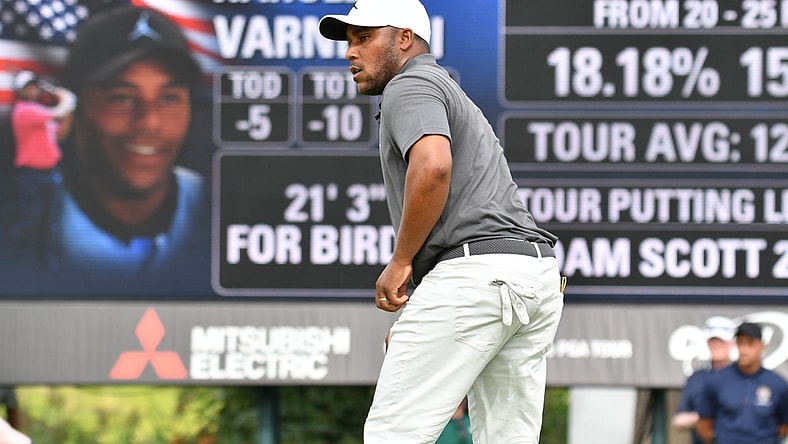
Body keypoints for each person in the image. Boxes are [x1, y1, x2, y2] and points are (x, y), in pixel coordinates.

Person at [319, 1, 565, 442]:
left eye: (364, 38)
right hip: (535, 275)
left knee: (393, 435)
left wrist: (401, 261)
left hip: (478, 275)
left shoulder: (409, 85)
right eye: (350, 41)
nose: (349, 52)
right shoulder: (445, 88)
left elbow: (433, 166)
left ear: (404, 39)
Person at [51, 4, 209, 292]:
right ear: (76, 107)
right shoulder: (28, 213)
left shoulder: (213, 204)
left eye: (169, 98)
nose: (149, 122)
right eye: (121, 98)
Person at [8, 70, 75, 270]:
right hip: (31, 175)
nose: (33, 90)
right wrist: (67, 100)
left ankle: (47, 267)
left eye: (34, 86)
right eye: (28, 87)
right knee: (29, 220)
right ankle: (11, 263)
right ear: (20, 91)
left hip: (51, 173)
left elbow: (60, 132)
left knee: (51, 222)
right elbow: (60, 112)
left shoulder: (39, 114)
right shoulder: (24, 111)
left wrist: (68, 109)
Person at [696, 322, 788, 444]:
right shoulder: (716, 381)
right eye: (741, 343)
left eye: (750, 344)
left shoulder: (778, 384)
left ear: (762, 346)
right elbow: (704, 421)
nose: (744, 350)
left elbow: (784, 425)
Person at [673, 316, 737, 444]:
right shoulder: (697, 378)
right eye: (713, 341)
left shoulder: (743, 377)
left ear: (732, 343)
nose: (716, 345)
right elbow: (678, 419)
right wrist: (701, 417)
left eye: (721, 341)